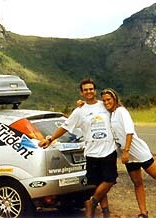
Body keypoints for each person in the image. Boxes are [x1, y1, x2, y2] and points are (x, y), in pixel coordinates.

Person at [100, 88, 156, 217]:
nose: (106, 102)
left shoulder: (121, 111)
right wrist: (81, 104)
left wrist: (125, 151)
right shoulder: (111, 113)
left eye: (108, 99)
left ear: (115, 99)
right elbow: (94, 106)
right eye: (104, 100)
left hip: (138, 151)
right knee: (137, 183)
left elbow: (129, 132)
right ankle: (143, 212)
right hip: (129, 156)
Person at [39, 78, 117, 218]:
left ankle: (91, 202)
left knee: (110, 180)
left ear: (95, 90)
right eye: (85, 90)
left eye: (91, 89)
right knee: (98, 183)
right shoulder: (79, 111)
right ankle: (106, 213)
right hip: (92, 152)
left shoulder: (104, 105)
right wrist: (50, 139)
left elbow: (116, 107)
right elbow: (65, 127)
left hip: (108, 150)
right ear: (81, 93)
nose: (89, 91)